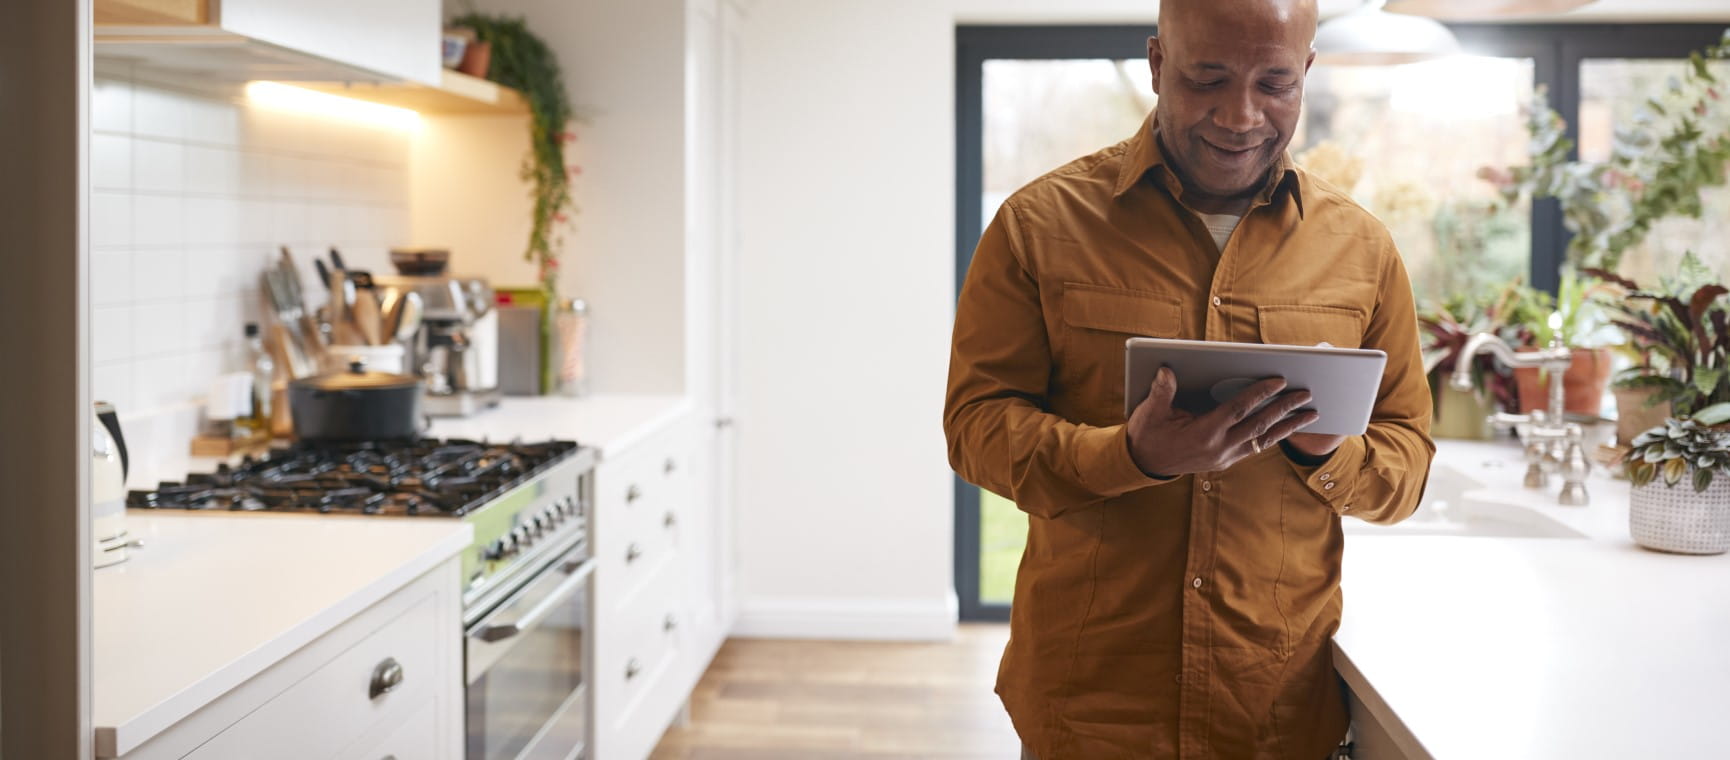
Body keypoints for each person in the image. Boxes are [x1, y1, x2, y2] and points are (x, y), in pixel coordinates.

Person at [942, 0, 1435, 757]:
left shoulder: (1363, 252)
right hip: (1092, 703)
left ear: (1305, 72)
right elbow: (975, 428)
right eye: (1208, 78)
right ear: (1157, 64)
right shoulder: (1038, 225)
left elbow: (1407, 468)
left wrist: (1326, 453)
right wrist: (1132, 457)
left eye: (1274, 84)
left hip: (1276, 705)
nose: (1240, 116)